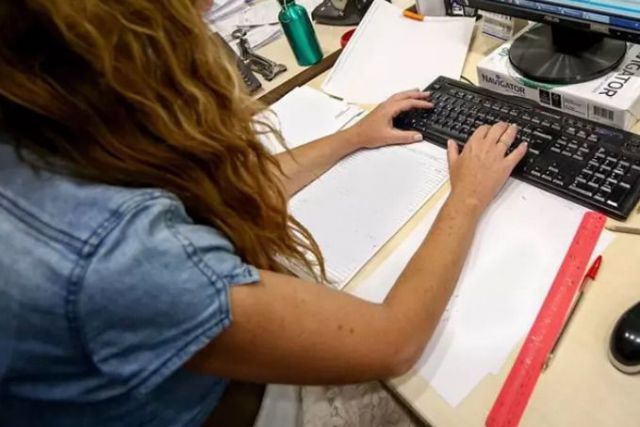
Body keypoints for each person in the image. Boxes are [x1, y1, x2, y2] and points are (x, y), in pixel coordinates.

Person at [0, 1, 527, 426]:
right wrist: (469, 196)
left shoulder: (37, 140)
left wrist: (351, 137)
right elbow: (393, 340)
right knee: (431, 399)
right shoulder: (116, 256)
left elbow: (232, 190)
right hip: (230, 408)